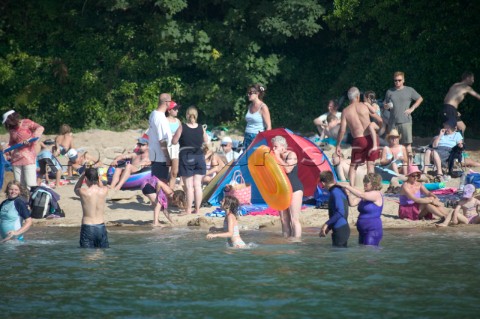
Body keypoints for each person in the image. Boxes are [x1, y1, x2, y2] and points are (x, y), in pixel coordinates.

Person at [335, 87, 381, 186]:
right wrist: (378, 129)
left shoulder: (345, 111)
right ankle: (371, 187)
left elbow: (342, 130)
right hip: (371, 137)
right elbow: (380, 119)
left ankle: (352, 187)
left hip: (358, 140)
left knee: (353, 166)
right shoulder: (364, 105)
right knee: (370, 164)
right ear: (357, 96)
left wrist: (338, 145)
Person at [172, 106, 208, 215]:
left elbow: (174, 141)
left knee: (188, 186)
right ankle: (197, 210)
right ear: (196, 116)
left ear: (187, 115)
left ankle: (188, 210)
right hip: (199, 157)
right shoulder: (201, 127)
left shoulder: (182, 127)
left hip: (186, 157)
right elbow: (206, 140)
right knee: (197, 185)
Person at [270, 136, 303, 239]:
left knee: (294, 219)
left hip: (294, 188)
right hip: (282, 190)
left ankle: (296, 241)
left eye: (276, 146)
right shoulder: (275, 156)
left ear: (283, 146)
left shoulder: (291, 154)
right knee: (284, 219)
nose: (274, 149)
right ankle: (286, 240)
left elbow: (288, 170)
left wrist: (277, 157)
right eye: (273, 147)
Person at [384, 71, 423, 156]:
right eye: (395, 80)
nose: (397, 82)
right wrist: (386, 106)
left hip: (406, 121)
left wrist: (412, 108)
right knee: (393, 144)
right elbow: (385, 105)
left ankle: (410, 166)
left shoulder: (409, 90)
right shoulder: (389, 91)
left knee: (408, 144)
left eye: (399, 80)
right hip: (393, 122)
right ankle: (395, 164)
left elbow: (420, 99)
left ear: (403, 80)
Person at [337, 173, 383, 246]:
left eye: (367, 182)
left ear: (374, 184)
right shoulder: (365, 194)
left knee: (369, 253)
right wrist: (348, 194)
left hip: (373, 230)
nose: (365, 184)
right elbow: (352, 203)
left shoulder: (376, 194)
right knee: (362, 252)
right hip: (362, 230)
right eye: (364, 181)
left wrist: (347, 186)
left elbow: (362, 195)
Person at [2, 110, 44, 190]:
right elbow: (12, 143)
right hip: (15, 159)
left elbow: (40, 128)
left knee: (30, 184)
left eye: (8, 122)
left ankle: (31, 201)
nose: (8, 124)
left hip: (28, 158)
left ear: (12, 118)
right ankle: (22, 201)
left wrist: (30, 139)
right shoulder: (12, 130)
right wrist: (6, 147)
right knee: (19, 185)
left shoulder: (26, 122)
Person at [74, 167, 109, 248]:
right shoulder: (104, 190)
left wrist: (82, 176)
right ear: (98, 178)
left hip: (88, 227)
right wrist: (98, 178)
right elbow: (101, 186)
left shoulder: (83, 192)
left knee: (87, 256)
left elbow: (76, 189)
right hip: (101, 227)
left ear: (85, 179)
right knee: (101, 256)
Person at [443, 71, 480, 135]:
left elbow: (446, 99)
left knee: (461, 127)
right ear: (468, 78)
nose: (473, 81)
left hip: (449, 108)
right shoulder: (466, 87)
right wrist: (451, 109)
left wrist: (453, 110)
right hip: (450, 109)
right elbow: (478, 96)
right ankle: (435, 143)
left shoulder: (455, 85)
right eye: (472, 79)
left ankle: (459, 143)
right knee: (450, 130)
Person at [319, 171, 350, 247]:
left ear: (323, 183)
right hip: (341, 229)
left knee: (338, 256)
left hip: (341, 230)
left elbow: (340, 212)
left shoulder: (335, 192)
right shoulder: (338, 190)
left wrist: (326, 224)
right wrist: (328, 228)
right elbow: (335, 213)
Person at [148, 93, 173, 182]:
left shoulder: (153, 114)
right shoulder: (161, 118)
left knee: (156, 181)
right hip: (160, 156)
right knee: (161, 182)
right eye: (170, 101)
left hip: (154, 154)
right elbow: (162, 140)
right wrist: (167, 157)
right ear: (166, 102)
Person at [244, 83, 271, 151]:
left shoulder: (263, 107)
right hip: (247, 135)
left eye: (250, 93)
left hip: (257, 137)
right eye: (248, 93)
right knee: (246, 158)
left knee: (255, 158)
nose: (248, 95)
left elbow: (269, 127)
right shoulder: (250, 106)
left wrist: (265, 140)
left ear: (257, 93)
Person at [166, 101, 181, 190]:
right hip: (167, 146)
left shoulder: (178, 121)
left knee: (174, 171)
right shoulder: (165, 120)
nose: (177, 111)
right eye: (175, 109)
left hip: (176, 147)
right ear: (169, 110)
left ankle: (170, 190)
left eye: (177, 109)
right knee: (167, 171)